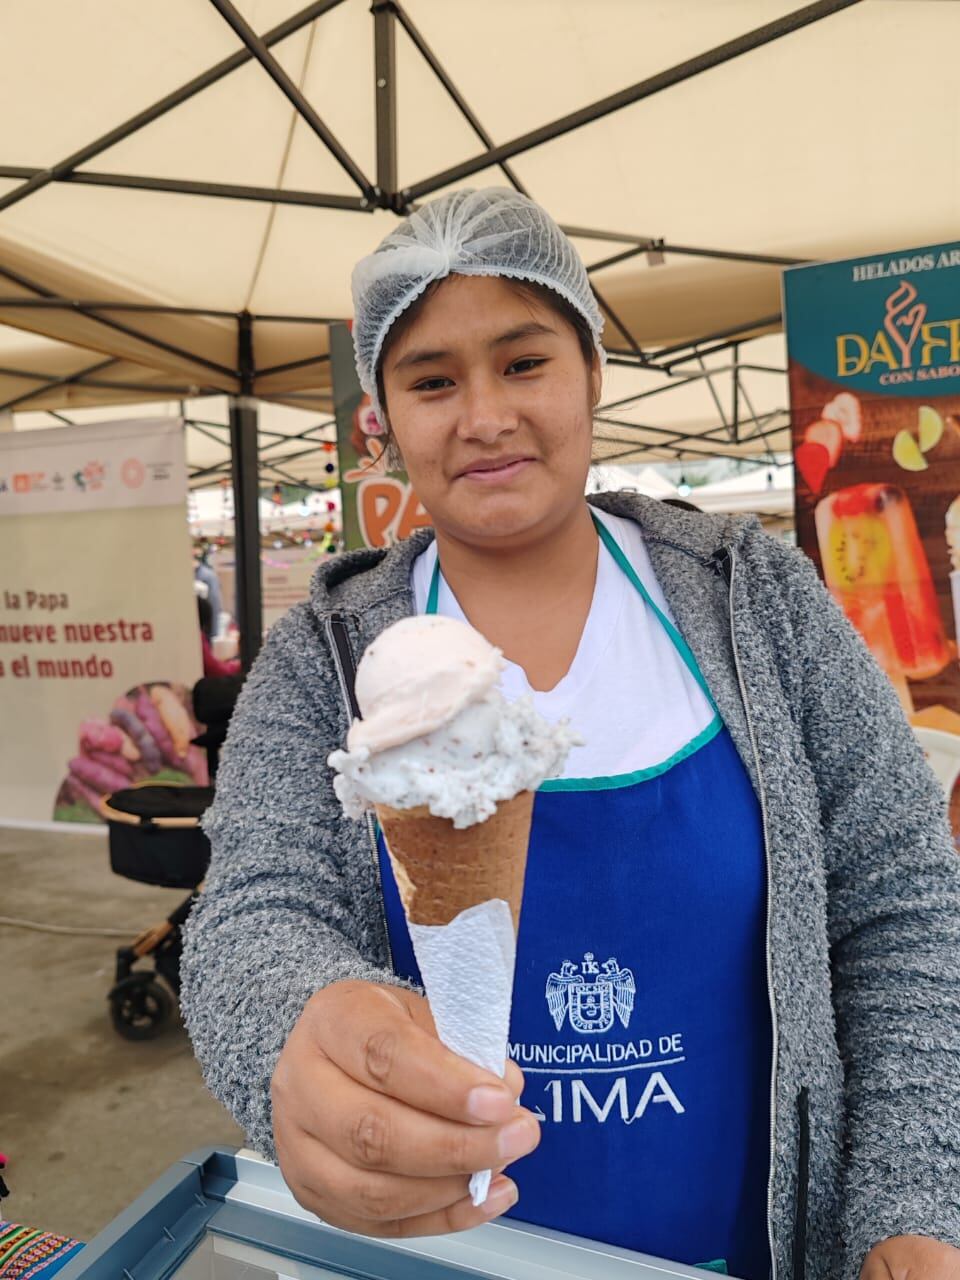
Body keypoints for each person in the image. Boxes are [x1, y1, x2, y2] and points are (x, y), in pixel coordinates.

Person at [181, 189, 960, 1280]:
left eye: (524, 361)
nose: (485, 415)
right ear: (385, 417)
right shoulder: (324, 654)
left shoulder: (760, 603)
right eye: (432, 380)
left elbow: (903, 902)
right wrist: (290, 1031)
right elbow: (253, 909)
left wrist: (909, 1200)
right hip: (433, 1259)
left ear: (594, 371)